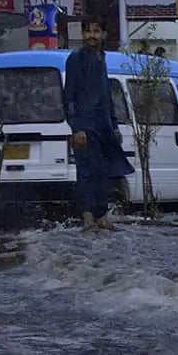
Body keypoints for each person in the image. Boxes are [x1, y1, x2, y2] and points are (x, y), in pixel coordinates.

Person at [63, 17, 135, 232]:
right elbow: (69, 97)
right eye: (87, 31)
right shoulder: (76, 59)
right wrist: (77, 127)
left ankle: (102, 216)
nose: (91, 35)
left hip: (103, 126)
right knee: (86, 173)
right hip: (85, 127)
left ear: (104, 34)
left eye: (96, 31)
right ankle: (87, 219)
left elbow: (106, 96)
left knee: (103, 172)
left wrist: (113, 125)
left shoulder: (101, 58)